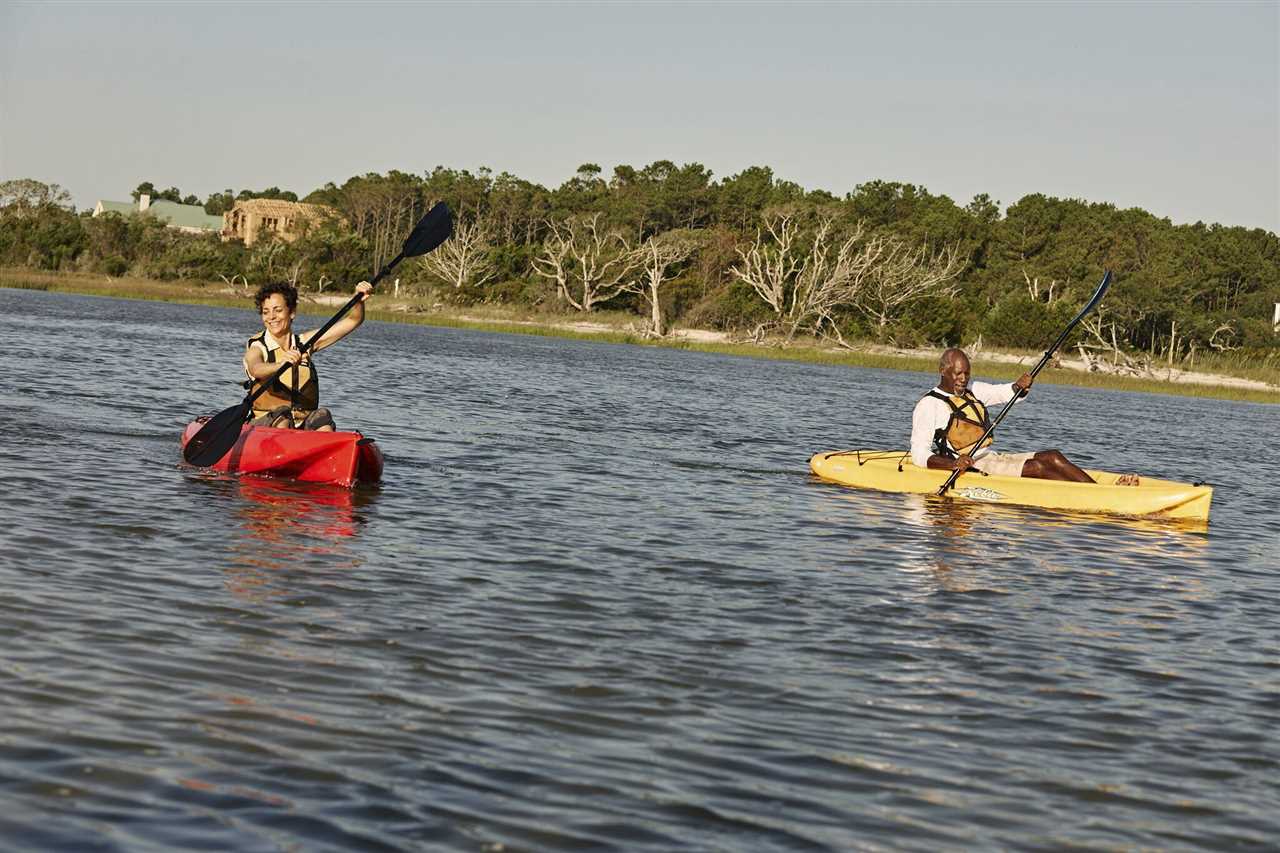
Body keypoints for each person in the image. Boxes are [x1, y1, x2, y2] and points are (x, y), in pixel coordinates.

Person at [910, 347, 1125, 483]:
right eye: (958, 373)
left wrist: (1018, 386)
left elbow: (1003, 392)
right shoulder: (929, 405)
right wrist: (952, 465)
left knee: (1052, 456)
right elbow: (919, 453)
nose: (963, 379)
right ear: (943, 371)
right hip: (970, 467)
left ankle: (1097, 491)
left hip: (990, 458)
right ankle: (1095, 496)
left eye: (967, 373)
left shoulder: (973, 390)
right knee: (1038, 468)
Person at [243, 280, 373, 431]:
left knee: (322, 418)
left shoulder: (304, 344)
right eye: (266, 312)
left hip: (301, 428)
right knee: (282, 418)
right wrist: (282, 363)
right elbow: (255, 369)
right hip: (265, 425)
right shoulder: (257, 346)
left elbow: (353, 320)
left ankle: (326, 451)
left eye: (277, 310)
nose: (271, 317)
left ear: (291, 312)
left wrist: (358, 299)